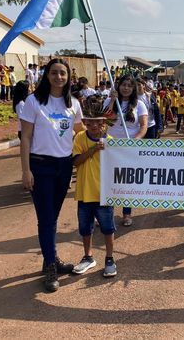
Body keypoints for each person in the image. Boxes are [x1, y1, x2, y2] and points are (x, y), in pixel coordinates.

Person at [19, 58, 84, 292]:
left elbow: (81, 132)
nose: (59, 77)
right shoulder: (33, 101)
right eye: (54, 73)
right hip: (41, 166)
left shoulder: (73, 104)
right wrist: (26, 170)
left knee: (53, 217)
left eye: (63, 73)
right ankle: (49, 265)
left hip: (64, 166)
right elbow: (25, 137)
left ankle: (51, 257)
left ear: (68, 77)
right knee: (46, 218)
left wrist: (102, 127)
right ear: (47, 75)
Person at [71, 96, 118, 277]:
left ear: (103, 123)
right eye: (89, 123)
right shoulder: (80, 138)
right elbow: (76, 161)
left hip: (104, 193)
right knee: (85, 228)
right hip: (84, 192)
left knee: (108, 228)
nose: (93, 126)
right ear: (84, 123)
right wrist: (93, 150)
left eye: (97, 123)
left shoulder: (111, 140)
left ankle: (109, 259)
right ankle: (88, 257)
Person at [104, 74, 148, 226]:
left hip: (129, 148)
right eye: (123, 85)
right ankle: (106, 212)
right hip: (110, 146)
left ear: (133, 88)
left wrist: (135, 141)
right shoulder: (110, 101)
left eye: (129, 86)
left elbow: (143, 126)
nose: (126, 88)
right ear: (118, 86)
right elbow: (103, 121)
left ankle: (127, 213)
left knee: (126, 180)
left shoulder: (140, 104)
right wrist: (111, 101)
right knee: (109, 180)